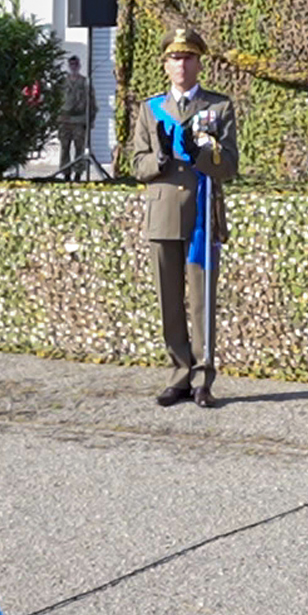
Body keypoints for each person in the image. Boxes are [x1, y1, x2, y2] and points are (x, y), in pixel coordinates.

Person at [129, 28, 238, 409]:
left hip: (200, 216)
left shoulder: (218, 108)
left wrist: (202, 156)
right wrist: (156, 162)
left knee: (202, 300)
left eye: (188, 57)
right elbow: (135, 161)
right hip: (162, 214)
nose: (181, 64)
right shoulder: (150, 108)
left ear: (198, 63)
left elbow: (229, 166)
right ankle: (178, 372)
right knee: (169, 301)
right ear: (165, 64)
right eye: (175, 58)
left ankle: (202, 378)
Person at [58, 53, 95, 178]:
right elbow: (55, 100)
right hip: (64, 119)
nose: (73, 67)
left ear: (79, 66)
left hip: (79, 120)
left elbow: (92, 102)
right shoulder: (62, 82)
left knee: (79, 148)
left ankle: (78, 173)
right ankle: (65, 173)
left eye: (76, 64)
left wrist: (91, 119)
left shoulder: (85, 82)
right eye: (71, 64)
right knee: (64, 148)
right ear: (69, 66)